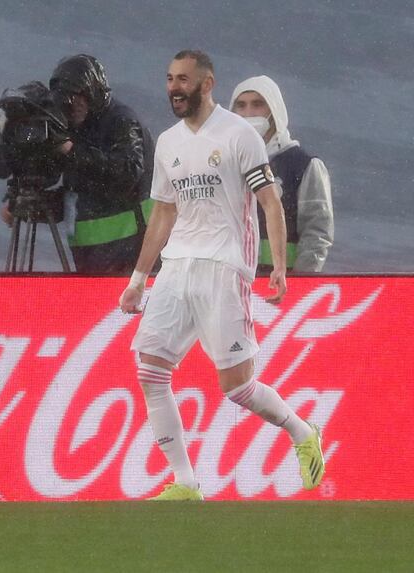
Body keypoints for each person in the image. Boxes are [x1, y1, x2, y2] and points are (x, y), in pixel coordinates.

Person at [119, 50, 325, 501]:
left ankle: (301, 430)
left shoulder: (238, 135)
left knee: (237, 388)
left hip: (224, 267)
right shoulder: (169, 142)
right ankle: (186, 483)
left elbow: (270, 201)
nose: (174, 87)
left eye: (184, 80)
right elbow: (163, 214)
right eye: (170, 79)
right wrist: (138, 279)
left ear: (207, 84)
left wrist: (279, 270)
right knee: (150, 372)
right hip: (176, 269)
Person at [1, 54, 154, 274]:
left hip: (129, 262)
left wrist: (70, 150)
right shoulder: (77, 128)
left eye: (77, 98)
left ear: (93, 93)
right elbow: (77, 197)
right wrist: (28, 206)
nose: (73, 106)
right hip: (90, 265)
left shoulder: (121, 121)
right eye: (65, 100)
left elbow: (126, 174)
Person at [230, 76, 334, 273]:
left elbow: (317, 233)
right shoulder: (222, 162)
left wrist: (300, 285)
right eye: (241, 106)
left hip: (280, 285)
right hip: (228, 282)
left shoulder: (303, 165)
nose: (248, 113)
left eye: (258, 104)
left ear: (274, 109)